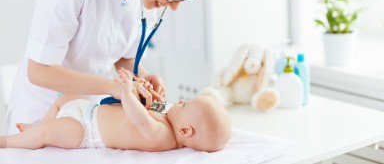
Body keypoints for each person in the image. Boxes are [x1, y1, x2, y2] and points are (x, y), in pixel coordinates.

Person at [6, 0, 210, 134]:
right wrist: (113, 87)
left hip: (86, 120)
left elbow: (122, 56)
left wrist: (142, 76)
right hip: (39, 117)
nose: (174, 7)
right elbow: (39, 72)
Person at [0, 68, 232, 152]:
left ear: (186, 131)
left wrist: (128, 93)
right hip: (88, 110)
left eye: (186, 104)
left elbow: (140, 119)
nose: (180, 101)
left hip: (86, 131)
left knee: (49, 131)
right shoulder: (169, 117)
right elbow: (148, 107)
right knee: (62, 101)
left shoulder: (164, 136)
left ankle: (9, 141)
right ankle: (35, 128)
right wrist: (146, 88)